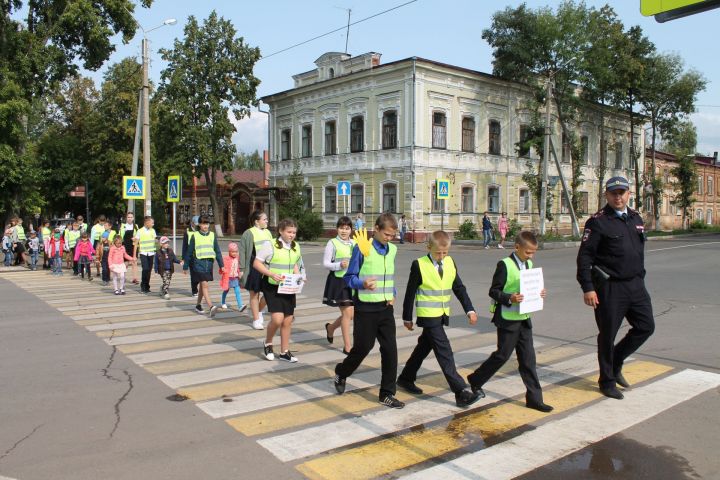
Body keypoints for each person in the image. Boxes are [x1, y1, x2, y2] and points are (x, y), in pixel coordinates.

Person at [576, 176, 655, 400]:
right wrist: (588, 288)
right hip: (610, 288)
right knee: (607, 335)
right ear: (606, 195)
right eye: (613, 193)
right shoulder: (598, 222)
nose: (618, 196)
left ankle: (617, 359)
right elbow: (584, 258)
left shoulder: (635, 218)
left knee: (646, 326)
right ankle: (607, 380)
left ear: (629, 194)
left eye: (622, 192)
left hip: (636, 285)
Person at [467, 231, 553, 413]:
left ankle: (534, 399)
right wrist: (509, 298)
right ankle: (476, 379)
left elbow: (531, 286)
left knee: (528, 360)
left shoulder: (529, 264)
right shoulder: (505, 265)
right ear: (517, 247)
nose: (531, 256)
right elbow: (493, 291)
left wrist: (540, 293)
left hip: (524, 319)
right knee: (502, 355)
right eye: (528, 252)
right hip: (508, 319)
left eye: (533, 252)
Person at [397, 230, 482, 408]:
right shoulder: (419, 265)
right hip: (428, 315)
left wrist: (470, 310)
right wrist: (407, 317)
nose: (442, 256)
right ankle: (460, 392)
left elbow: (459, 288)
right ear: (428, 247)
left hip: (441, 313)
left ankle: (406, 378)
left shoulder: (450, 262)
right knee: (444, 351)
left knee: (424, 347)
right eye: (438, 253)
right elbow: (410, 292)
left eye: (445, 252)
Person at [334, 213, 404, 409]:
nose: (389, 238)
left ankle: (387, 394)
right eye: (387, 234)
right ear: (376, 229)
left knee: (390, 350)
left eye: (392, 235)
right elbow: (349, 277)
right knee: (363, 348)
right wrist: (362, 284)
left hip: (385, 308)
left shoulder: (392, 250)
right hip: (365, 307)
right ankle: (341, 371)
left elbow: (388, 275)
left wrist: (393, 292)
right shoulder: (362, 248)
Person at [254, 218, 305, 363]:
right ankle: (268, 343)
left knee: (288, 320)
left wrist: (299, 276)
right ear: (281, 231)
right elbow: (257, 263)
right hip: (272, 285)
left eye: (294, 232)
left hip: (289, 286)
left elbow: (295, 263)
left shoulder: (295, 246)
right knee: (277, 319)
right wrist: (271, 274)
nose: (292, 235)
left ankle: (284, 351)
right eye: (289, 232)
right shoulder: (270, 245)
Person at [323, 216, 355, 354]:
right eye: (341, 228)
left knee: (351, 314)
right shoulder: (332, 243)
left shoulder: (354, 243)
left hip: (353, 281)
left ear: (351, 230)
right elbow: (326, 263)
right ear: (337, 229)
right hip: (339, 281)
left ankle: (331, 328)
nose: (344, 231)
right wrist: (339, 265)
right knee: (347, 313)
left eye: (347, 228)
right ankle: (348, 346)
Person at [183, 215, 223, 317]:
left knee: (202, 285)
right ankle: (211, 306)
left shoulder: (212, 235)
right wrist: (185, 266)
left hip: (209, 265)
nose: (205, 226)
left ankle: (198, 305)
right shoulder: (194, 236)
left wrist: (221, 265)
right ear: (199, 225)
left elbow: (217, 251)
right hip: (198, 264)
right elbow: (189, 252)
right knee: (205, 284)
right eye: (203, 224)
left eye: (207, 223)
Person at [239, 210, 272, 330]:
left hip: (267, 267)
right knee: (254, 294)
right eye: (264, 219)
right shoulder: (248, 233)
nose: (267, 221)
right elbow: (242, 251)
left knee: (269, 294)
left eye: (267, 219)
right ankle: (256, 319)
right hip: (253, 267)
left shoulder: (268, 232)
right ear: (257, 221)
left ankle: (257, 311)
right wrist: (241, 269)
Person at [219, 242, 246, 312]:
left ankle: (240, 306)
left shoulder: (238, 258)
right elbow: (222, 267)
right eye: (233, 252)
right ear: (229, 251)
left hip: (235, 278)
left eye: (236, 252)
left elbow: (240, 266)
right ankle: (223, 302)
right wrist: (222, 269)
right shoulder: (226, 259)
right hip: (228, 278)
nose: (235, 253)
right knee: (226, 290)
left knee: (237, 291)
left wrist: (240, 272)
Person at [134, 215, 157, 294]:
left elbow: (154, 241)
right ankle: (143, 286)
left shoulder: (153, 231)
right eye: (152, 223)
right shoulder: (140, 231)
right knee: (145, 269)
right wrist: (134, 255)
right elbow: (136, 243)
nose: (153, 224)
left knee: (149, 270)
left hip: (151, 253)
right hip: (143, 253)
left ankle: (147, 286)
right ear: (147, 222)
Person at [181, 216, 200, 297]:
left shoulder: (200, 230)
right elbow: (184, 245)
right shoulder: (187, 231)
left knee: (200, 274)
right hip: (191, 256)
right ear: (192, 223)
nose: (197, 225)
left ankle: (198, 287)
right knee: (193, 274)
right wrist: (183, 258)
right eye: (195, 224)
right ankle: (194, 290)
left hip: (200, 255)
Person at [120, 212, 139, 284]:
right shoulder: (123, 226)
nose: (130, 218)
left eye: (131, 217)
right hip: (125, 246)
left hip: (133, 246)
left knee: (134, 262)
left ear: (133, 218)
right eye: (128, 217)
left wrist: (135, 238)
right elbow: (120, 237)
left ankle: (135, 278)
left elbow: (138, 235)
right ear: (126, 218)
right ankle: (123, 277)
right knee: (126, 263)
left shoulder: (136, 226)